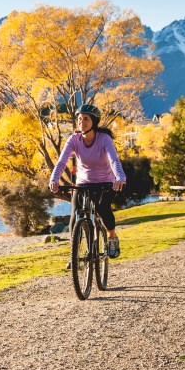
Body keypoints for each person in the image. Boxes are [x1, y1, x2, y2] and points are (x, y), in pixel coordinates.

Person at [49, 104, 126, 258]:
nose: (81, 122)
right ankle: (74, 253)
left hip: (105, 182)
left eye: (86, 119)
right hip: (83, 182)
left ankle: (112, 237)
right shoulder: (74, 139)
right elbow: (62, 162)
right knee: (75, 211)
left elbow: (114, 160)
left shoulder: (104, 138)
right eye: (79, 119)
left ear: (94, 122)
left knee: (102, 207)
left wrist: (120, 177)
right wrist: (54, 178)